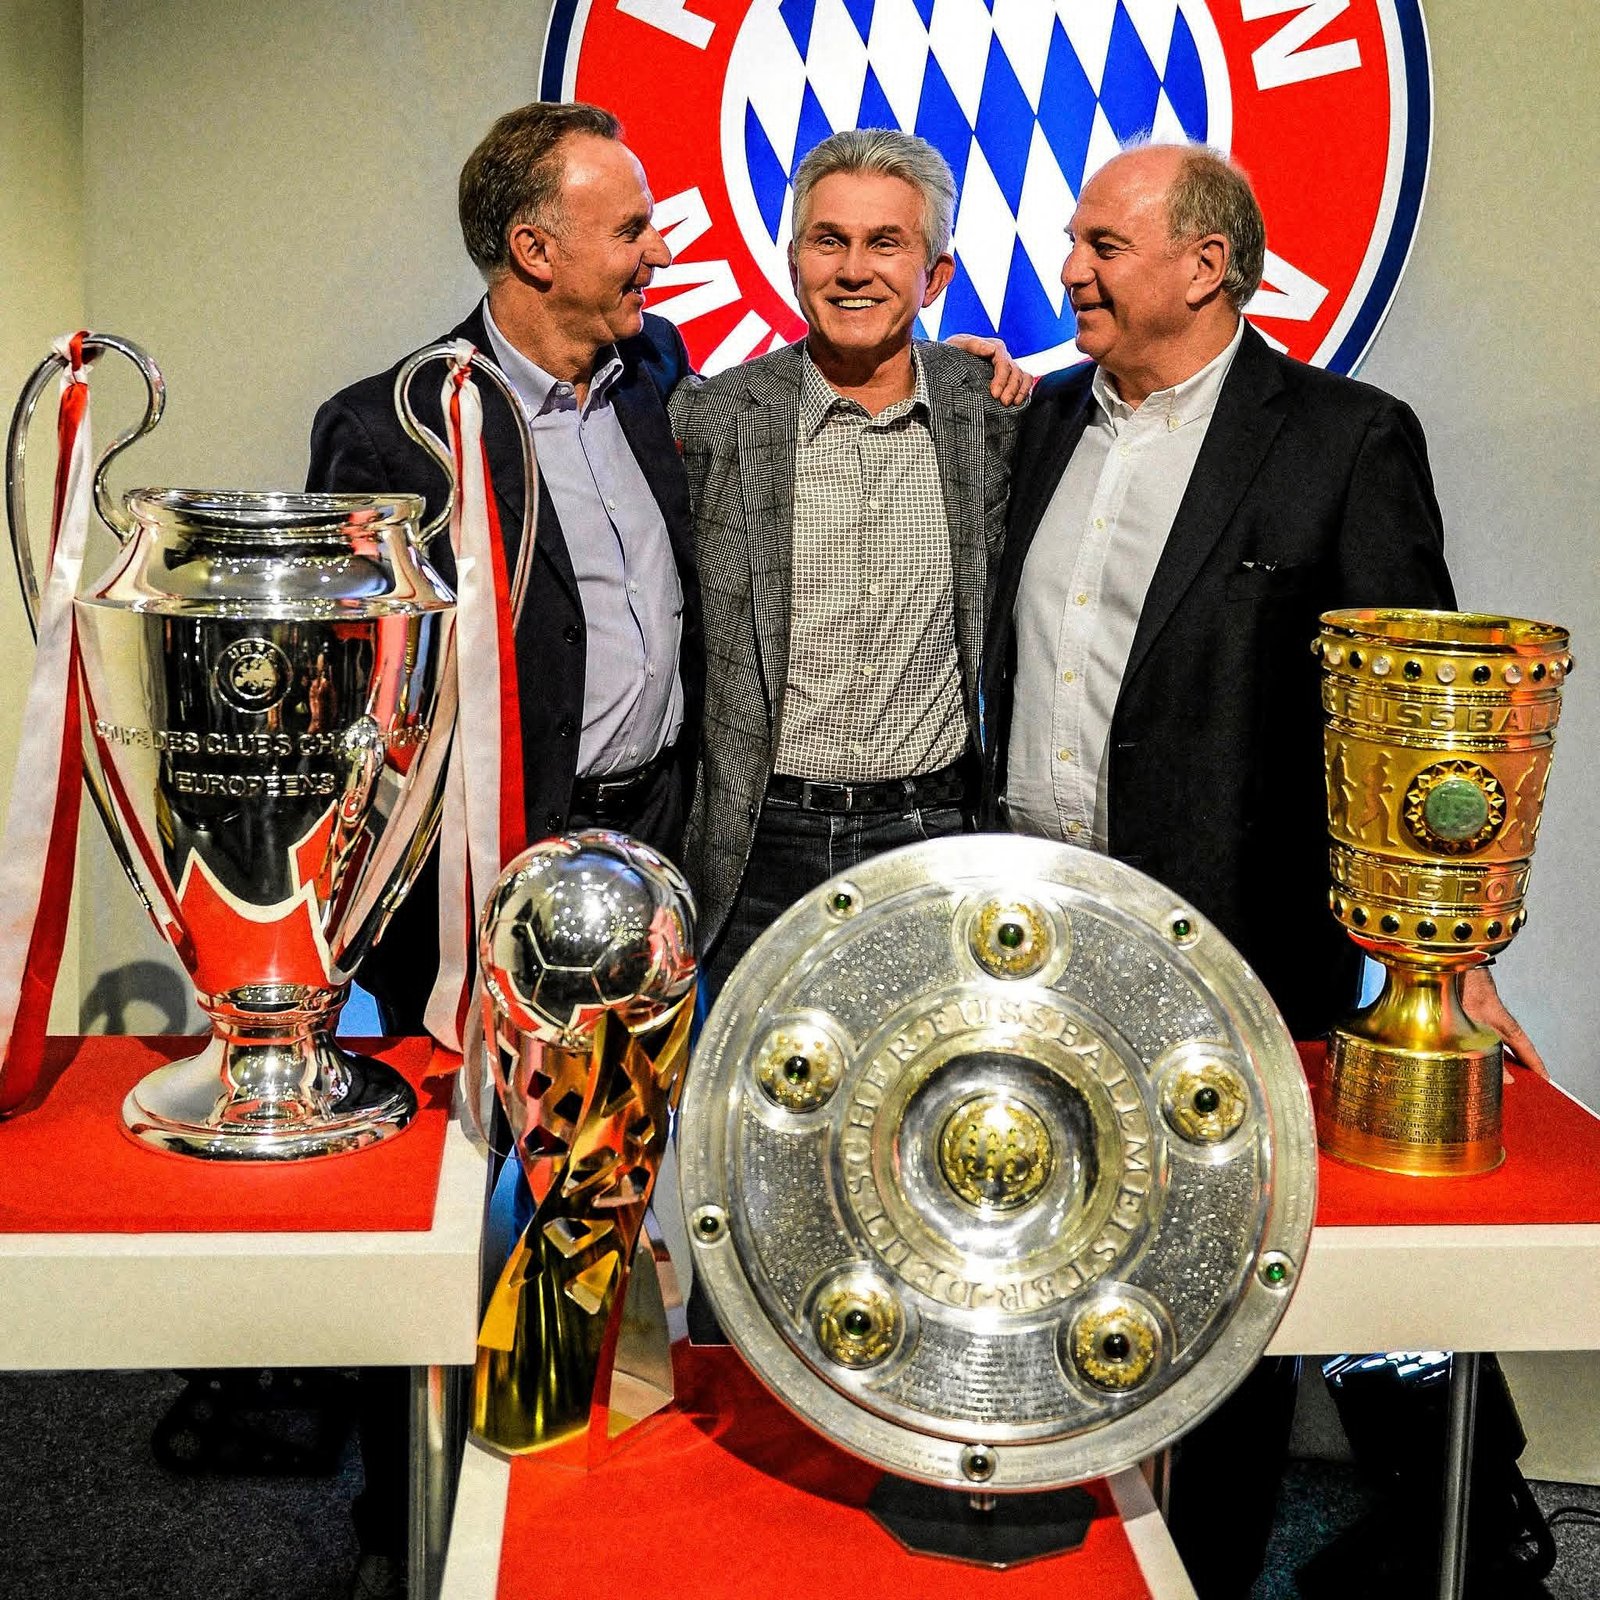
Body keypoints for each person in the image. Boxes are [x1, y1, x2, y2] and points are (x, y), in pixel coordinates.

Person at [981, 140, 1541, 1599]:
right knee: (1055, 1245)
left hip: (1240, 946)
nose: (1070, 269)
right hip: (1040, 938)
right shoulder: (1040, 425)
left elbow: (1420, 724)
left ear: (1206, 265)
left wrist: (1453, 961)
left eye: (1103, 245)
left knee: (1226, 1286)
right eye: (1076, 242)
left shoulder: (1345, 439)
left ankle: (1216, 1566)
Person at [307, 100, 703, 1039]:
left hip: (655, 848)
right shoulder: (392, 429)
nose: (659, 254)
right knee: (471, 1129)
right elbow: (348, 698)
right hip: (481, 881)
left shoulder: (653, 364)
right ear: (536, 251)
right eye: (631, 231)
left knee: (633, 1125)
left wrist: (936, 365)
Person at [671, 128, 1025, 995]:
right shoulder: (710, 419)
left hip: (936, 834)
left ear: (935, 276)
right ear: (794, 262)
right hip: (759, 844)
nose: (854, 270)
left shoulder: (995, 414)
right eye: (829, 241)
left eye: (886, 243)